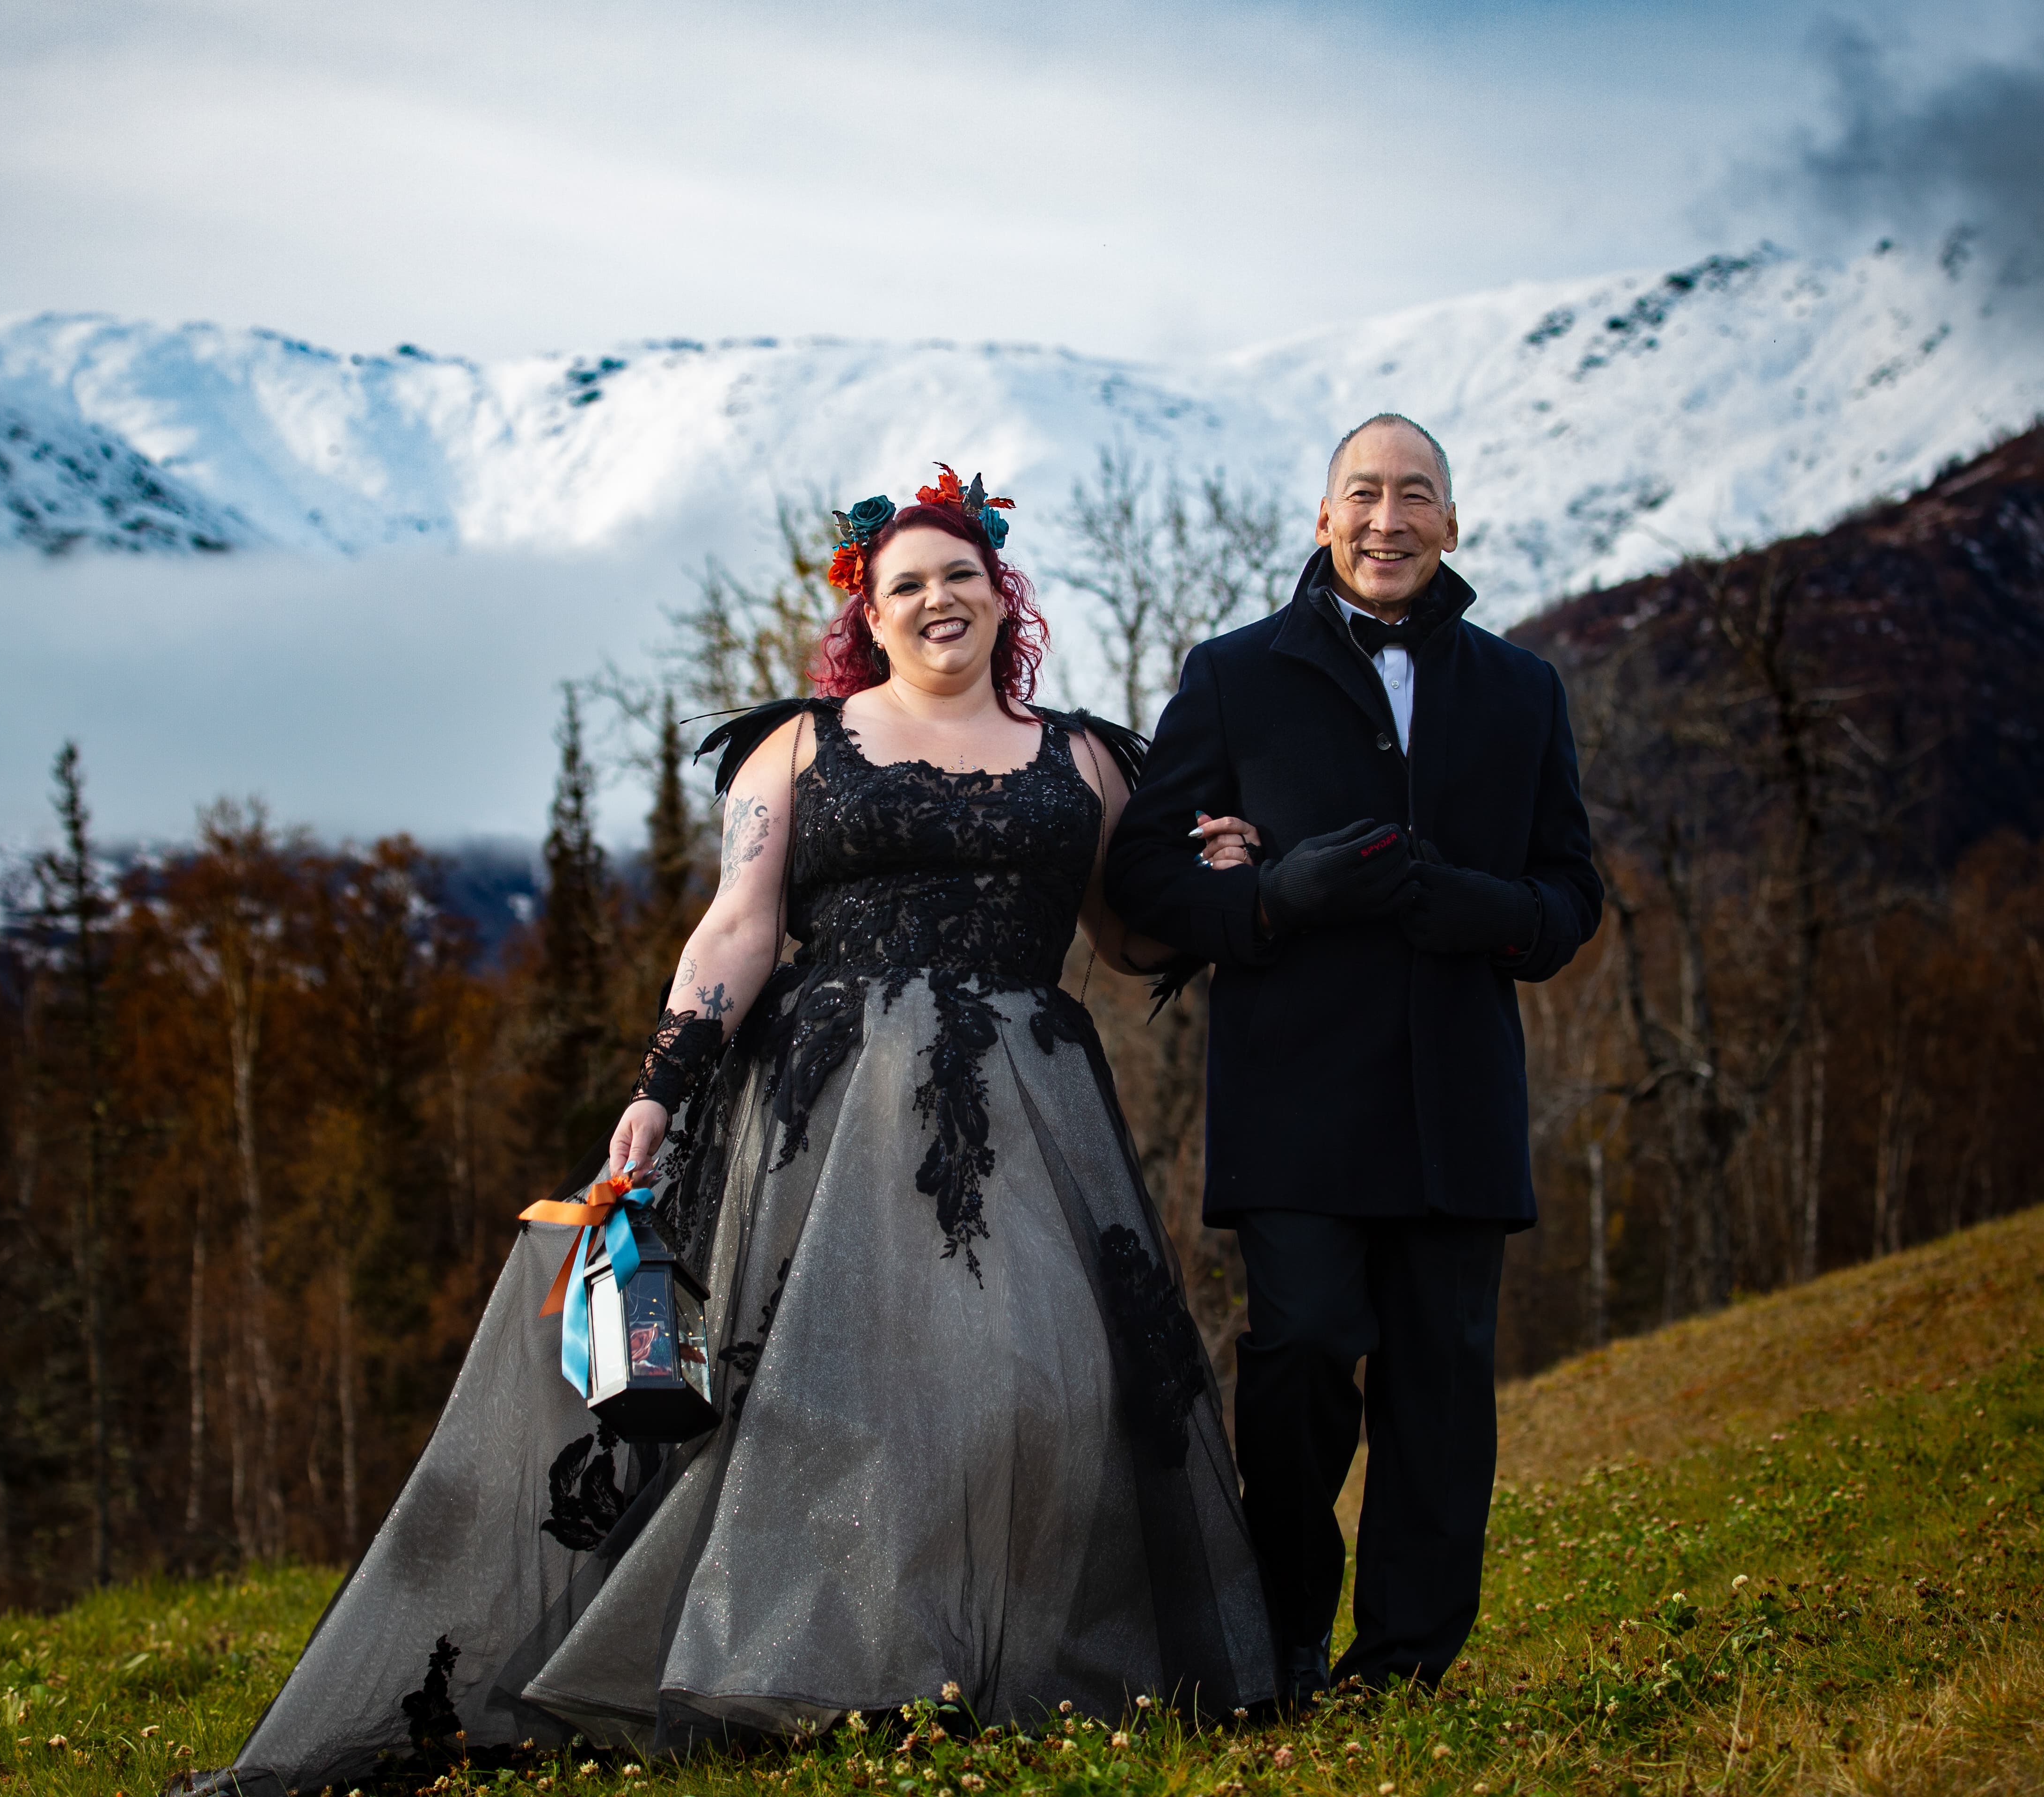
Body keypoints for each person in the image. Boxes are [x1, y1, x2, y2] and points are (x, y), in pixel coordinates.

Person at [194, 467, 1274, 1795]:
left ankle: (1005, 1660)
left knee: (1038, 1393)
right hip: (826, 1101)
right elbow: (741, 926)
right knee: (826, 1395)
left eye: (961, 576)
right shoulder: (802, 748)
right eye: (907, 586)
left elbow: (1124, 933)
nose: (939, 600)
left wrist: (1221, 882)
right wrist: (660, 1083)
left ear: (1005, 594)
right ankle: (849, 1671)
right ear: (868, 617)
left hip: (1031, 1106)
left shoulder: (1090, 760)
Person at [1102, 415, 1601, 1702]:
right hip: (1296, 1102)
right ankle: (1277, 1639)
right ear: (1324, 520)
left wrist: (1465, 905)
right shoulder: (1232, 676)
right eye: (1363, 495)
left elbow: (1567, 901)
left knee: (1441, 1389)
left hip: (1459, 1106)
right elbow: (1146, 875)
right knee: (1305, 1349)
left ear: (1453, 521)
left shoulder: (1522, 690)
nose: (1389, 520)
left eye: (1415, 496)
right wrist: (1272, 901)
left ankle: (1405, 1667)